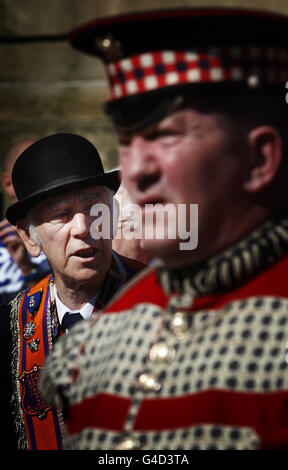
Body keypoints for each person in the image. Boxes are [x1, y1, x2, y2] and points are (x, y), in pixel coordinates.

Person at [40, 8, 288, 450]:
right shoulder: (102, 339)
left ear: (260, 159)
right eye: (128, 142)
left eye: (168, 136)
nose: (136, 172)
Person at [0, 132, 145, 450]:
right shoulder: (11, 326)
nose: (83, 227)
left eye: (95, 207)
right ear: (28, 238)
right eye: (61, 214)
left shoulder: (163, 298)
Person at [0, 140, 50, 305]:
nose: (44, 177)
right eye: (32, 170)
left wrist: (26, 268)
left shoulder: (63, 233)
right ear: (8, 184)